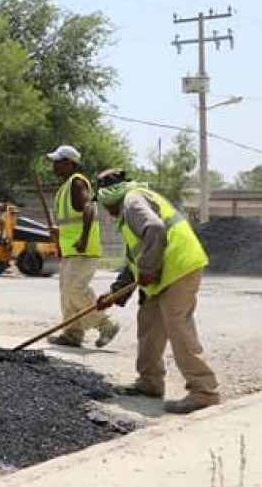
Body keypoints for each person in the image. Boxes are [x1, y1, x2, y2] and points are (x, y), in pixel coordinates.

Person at [93, 168, 220, 414]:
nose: (106, 211)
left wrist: (149, 268)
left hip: (179, 267)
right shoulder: (128, 213)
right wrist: (113, 293)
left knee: (177, 325)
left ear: (111, 196)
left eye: (105, 204)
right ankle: (150, 382)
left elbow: (155, 228)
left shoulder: (132, 200)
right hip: (162, 274)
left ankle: (204, 391)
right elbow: (133, 263)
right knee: (149, 323)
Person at [45, 145, 120, 348]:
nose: (54, 166)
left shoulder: (77, 183)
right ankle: (72, 334)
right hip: (71, 250)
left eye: (58, 162)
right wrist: (59, 234)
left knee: (76, 290)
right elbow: (73, 221)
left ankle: (107, 325)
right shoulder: (65, 187)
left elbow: (89, 209)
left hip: (83, 249)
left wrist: (83, 239)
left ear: (69, 163)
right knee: (67, 293)